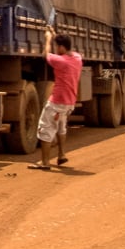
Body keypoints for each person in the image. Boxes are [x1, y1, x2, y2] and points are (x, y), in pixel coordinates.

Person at [29, 27, 83, 171]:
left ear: (61, 47)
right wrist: (54, 35)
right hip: (69, 102)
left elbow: (46, 54)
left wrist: (47, 38)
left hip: (57, 101)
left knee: (45, 129)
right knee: (61, 128)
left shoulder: (60, 61)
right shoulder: (77, 58)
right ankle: (61, 154)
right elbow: (61, 51)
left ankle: (45, 163)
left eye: (57, 46)